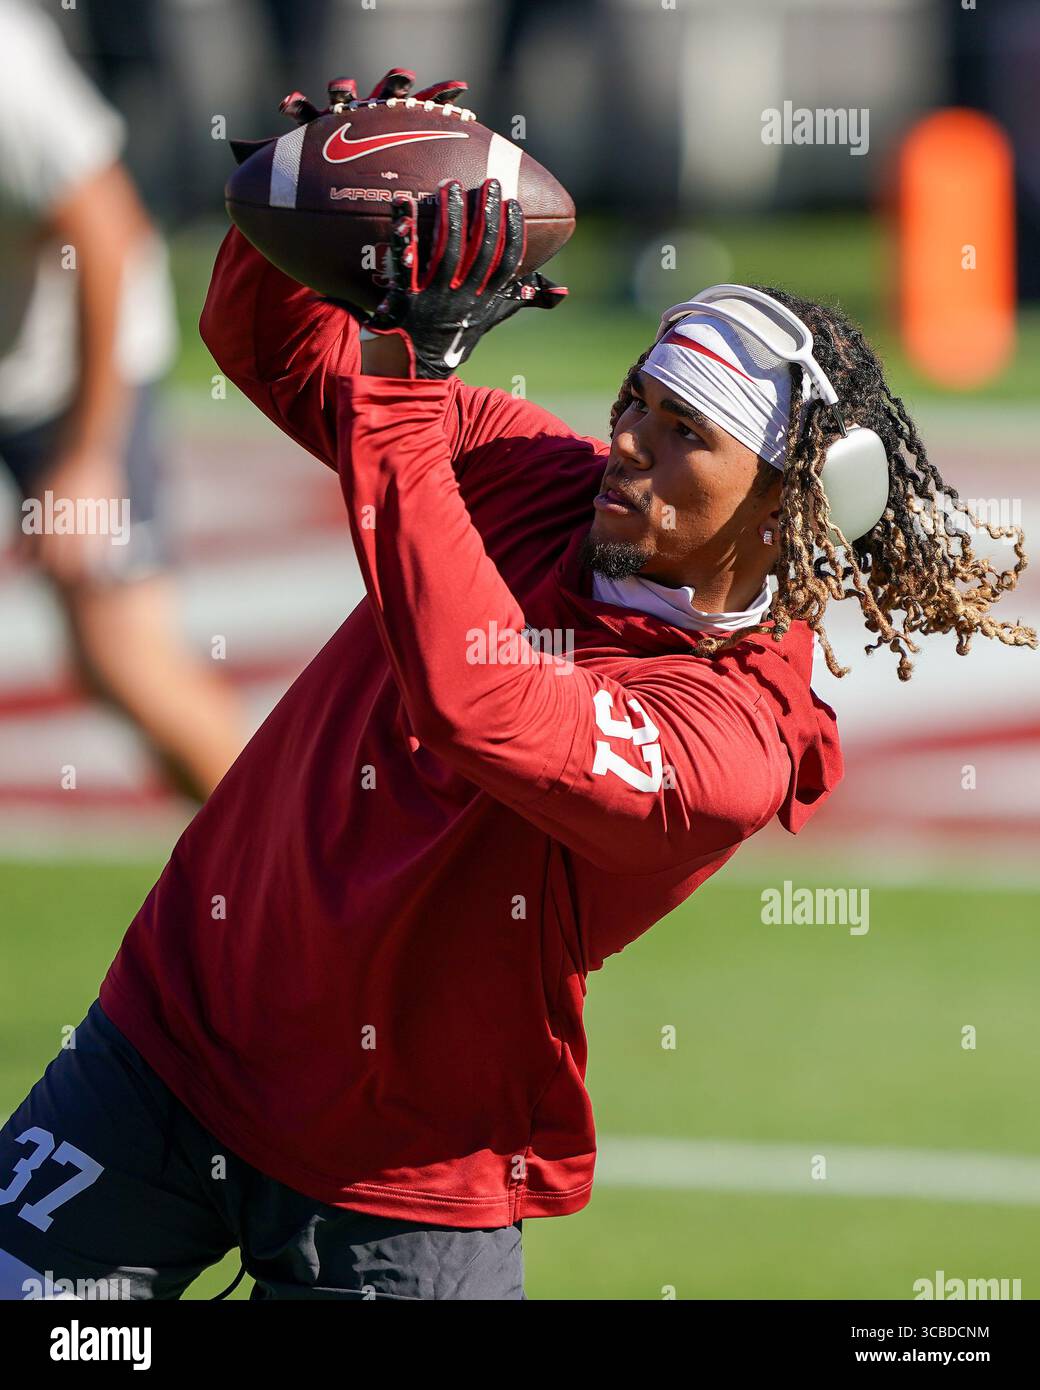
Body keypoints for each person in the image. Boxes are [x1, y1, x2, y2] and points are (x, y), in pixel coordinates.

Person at [0, 70, 1033, 1302]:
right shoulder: (539, 469)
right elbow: (271, 354)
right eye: (635, 401)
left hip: (401, 1179)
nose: (629, 443)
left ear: (788, 504)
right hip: (168, 1045)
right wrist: (327, 199)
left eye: (685, 431)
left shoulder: (729, 743)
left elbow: (474, 695)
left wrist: (410, 375)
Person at [0, 0, 244, 800]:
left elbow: (108, 234)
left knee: (124, 659)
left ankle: (310, 885)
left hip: (61, 375)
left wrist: (87, 455)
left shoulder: (7, 70)